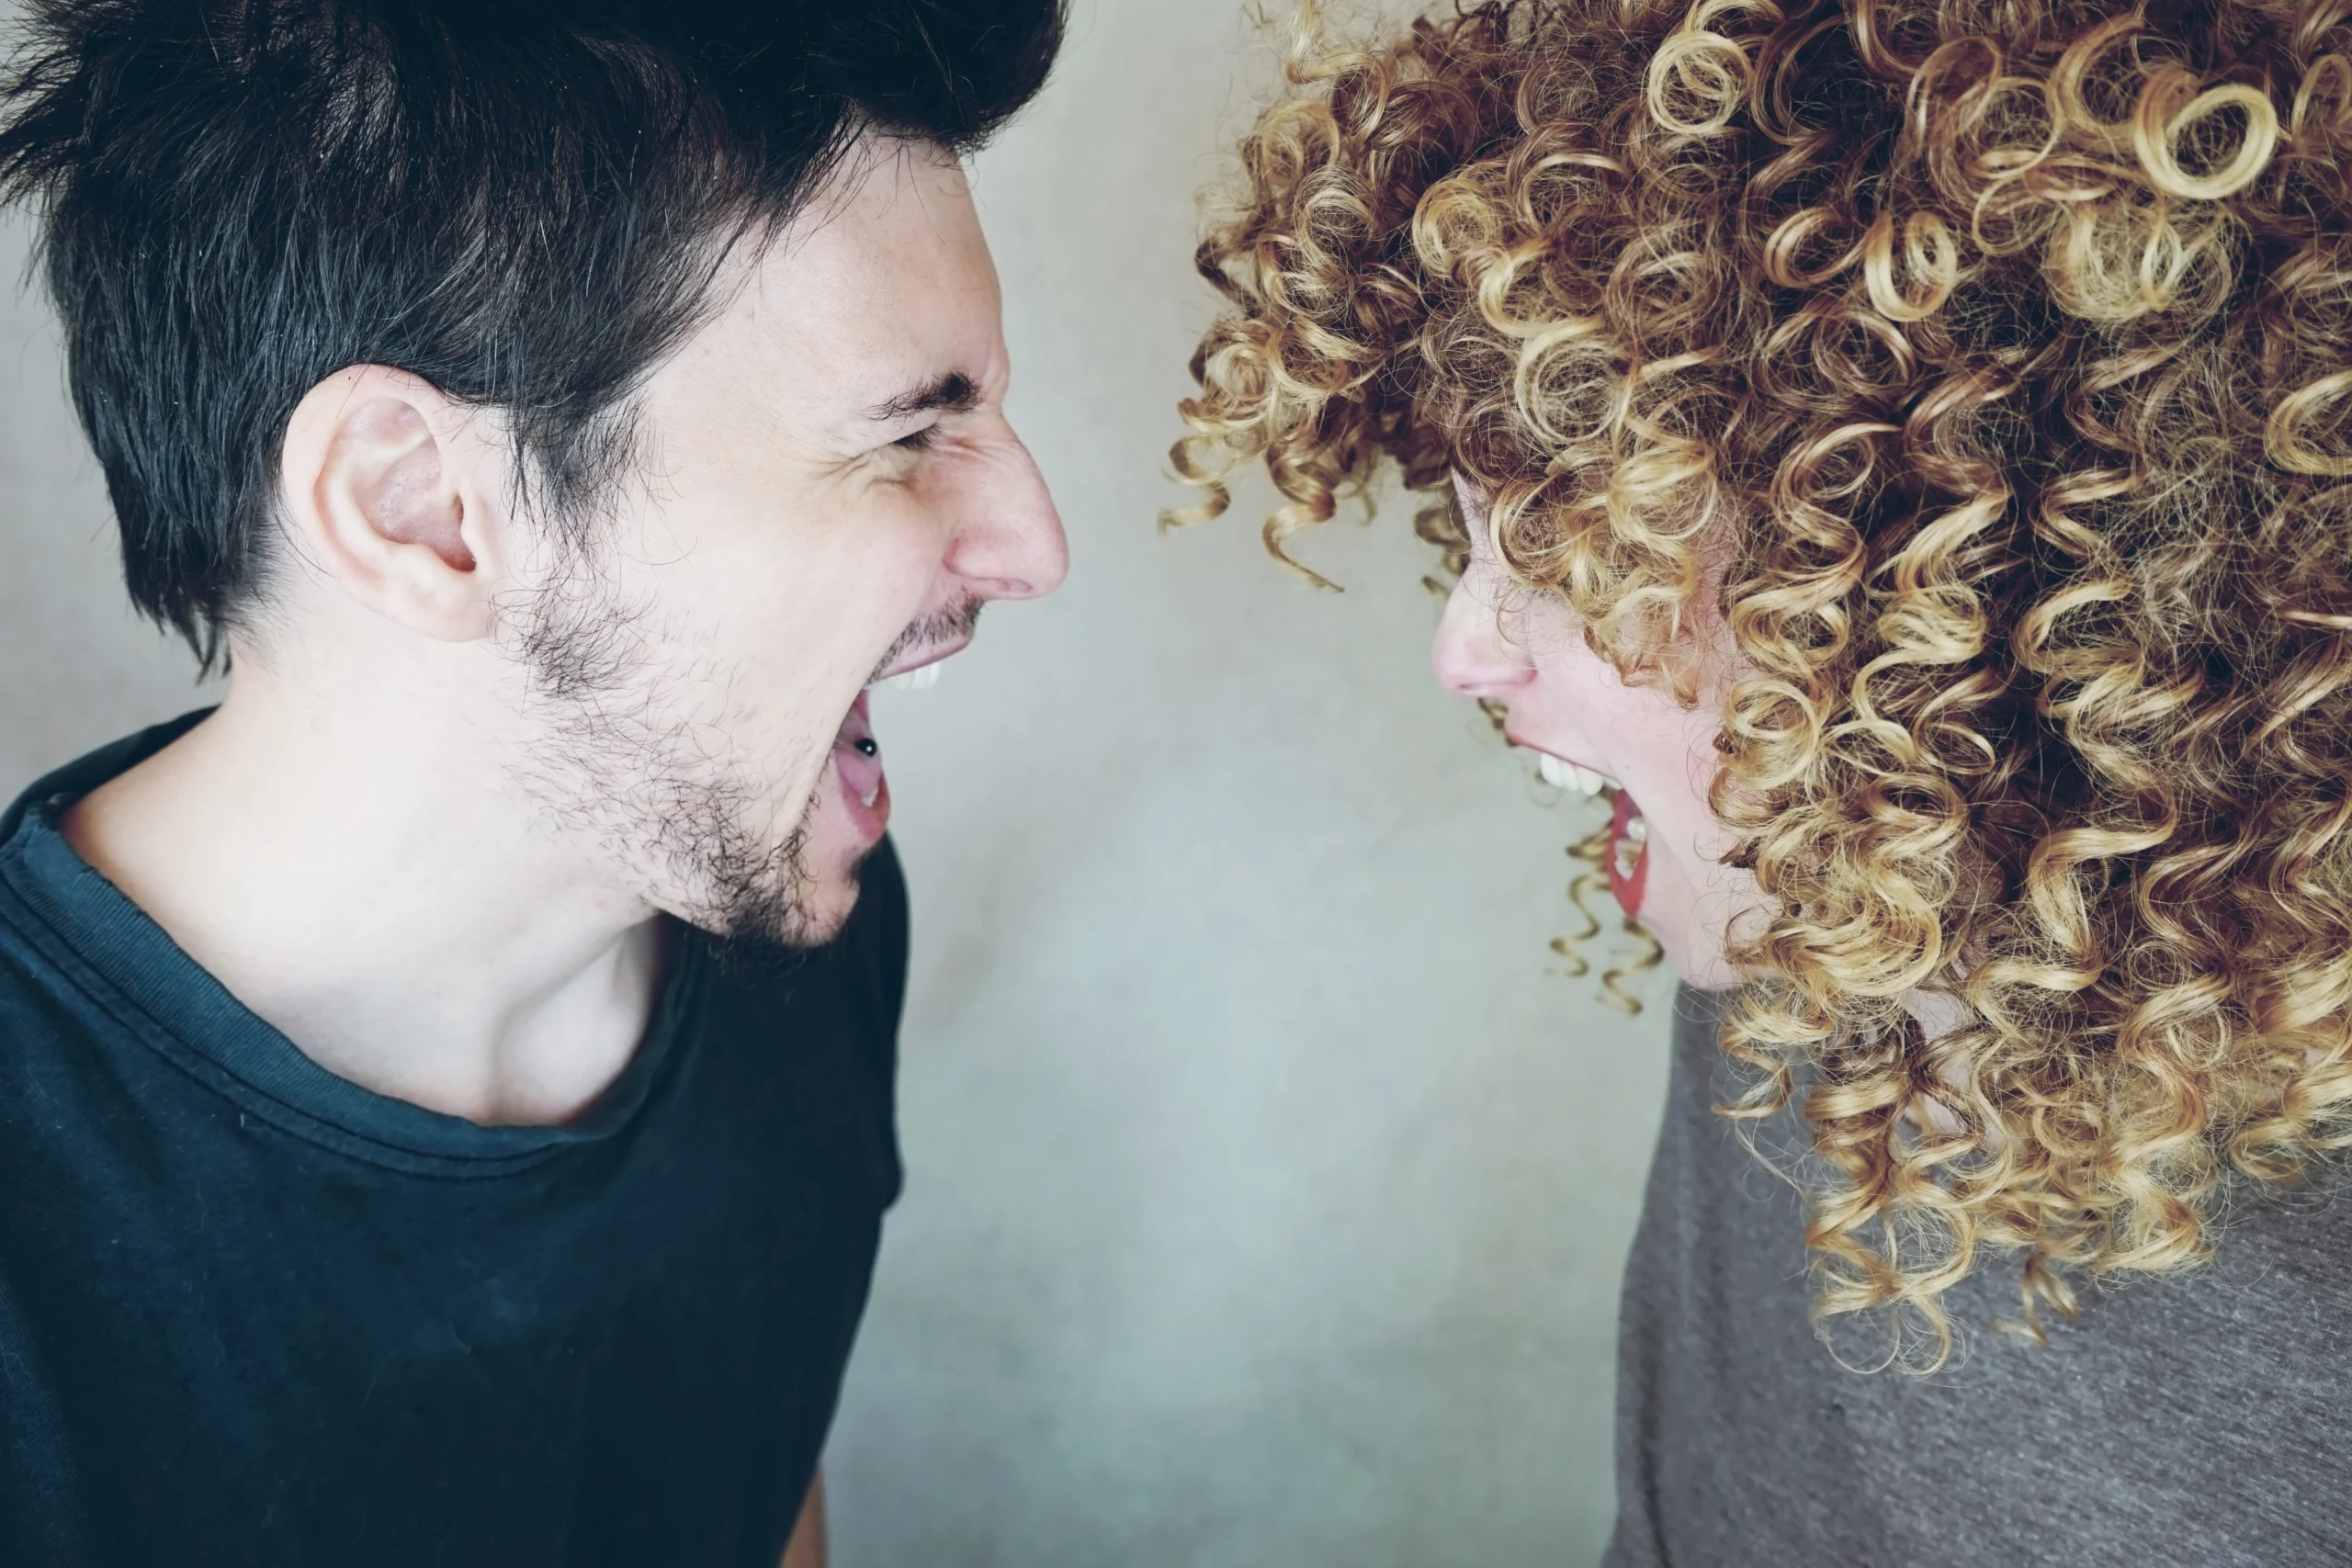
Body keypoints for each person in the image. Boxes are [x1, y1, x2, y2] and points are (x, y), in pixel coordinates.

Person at [1177, 0, 2352, 1560]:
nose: (1463, 650)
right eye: (1476, 533)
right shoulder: (1812, 919)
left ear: (1951, 583)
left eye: (1561, 546)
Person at [0, 0, 1067, 1562]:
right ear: (421, 508)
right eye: (911, 432)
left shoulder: (790, 907)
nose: (1034, 545)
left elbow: (751, 1489)